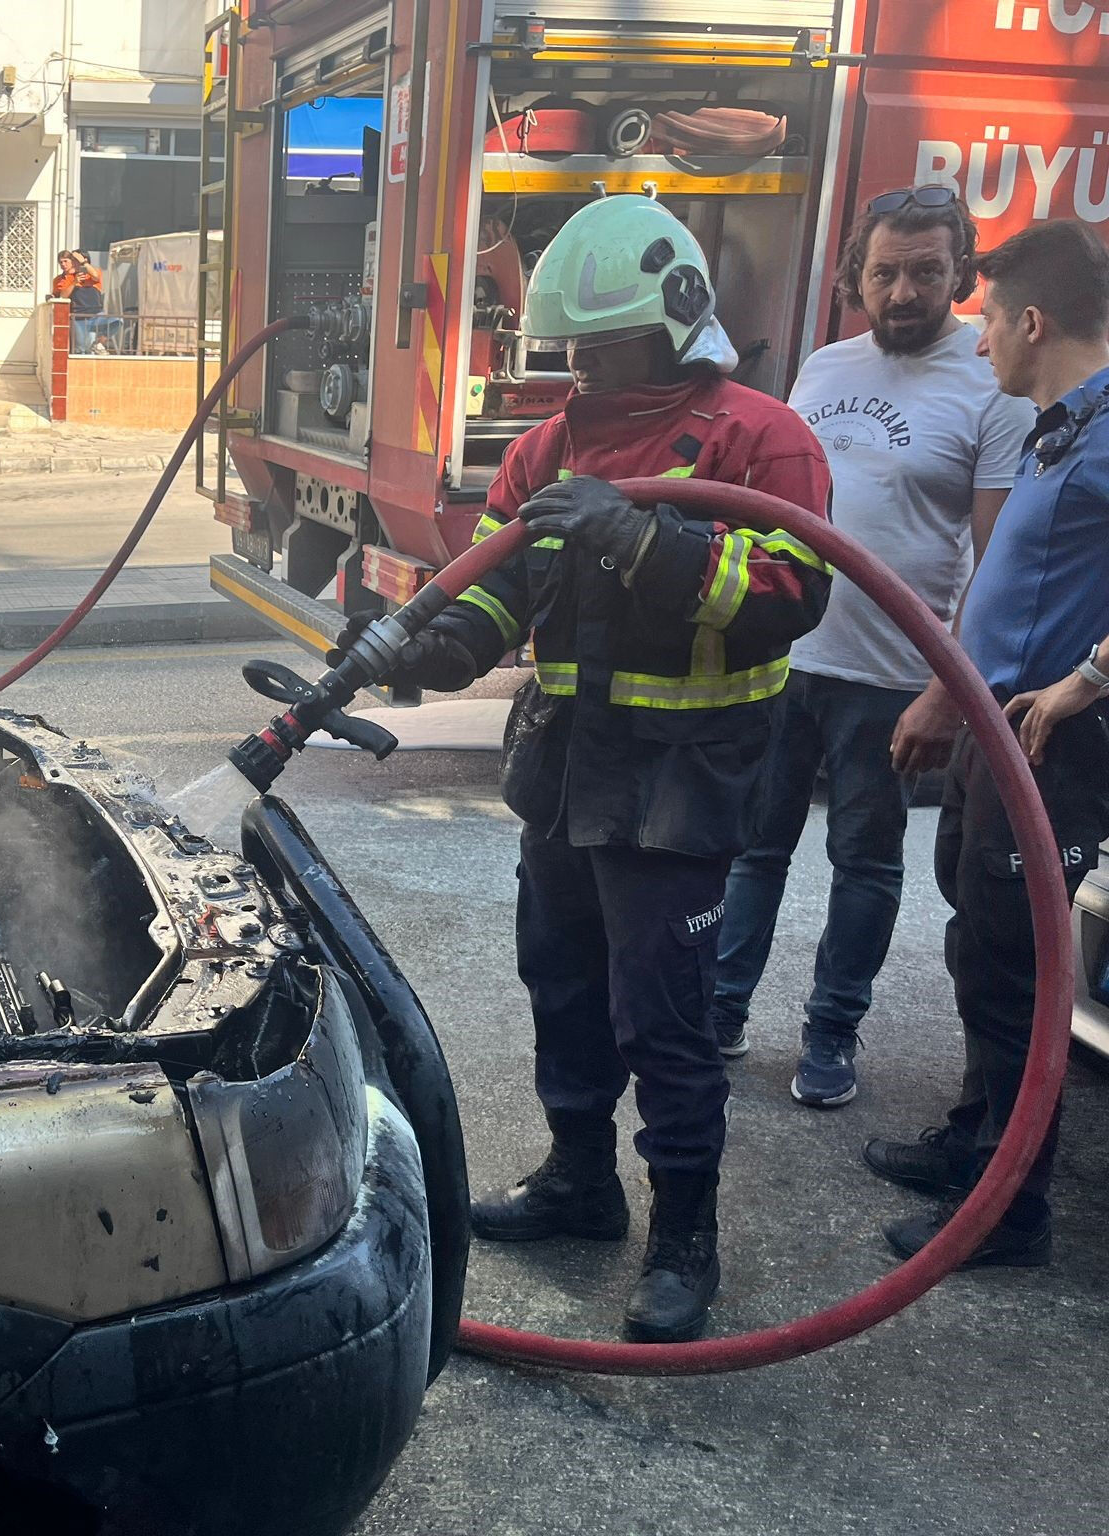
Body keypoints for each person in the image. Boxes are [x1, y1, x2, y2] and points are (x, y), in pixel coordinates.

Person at [343, 195, 831, 1341]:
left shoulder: (758, 440)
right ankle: (578, 1180)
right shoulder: (546, 447)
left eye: (604, 348)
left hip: (685, 778)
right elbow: (502, 584)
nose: (584, 370)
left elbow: (786, 598)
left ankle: (683, 1238)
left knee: (662, 1017)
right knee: (559, 983)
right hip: (565, 769)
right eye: (572, 349)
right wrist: (434, 642)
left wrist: (645, 537)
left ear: (674, 323)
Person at [709, 187, 1034, 1108]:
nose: (902, 292)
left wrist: (947, 686)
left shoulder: (987, 384)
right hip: (785, 658)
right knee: (750, 851)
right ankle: (721, 1010)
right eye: (885, 272)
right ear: (858, 274)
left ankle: (829, 1035)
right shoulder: (822, 367)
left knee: (867, 864)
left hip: (891, 677)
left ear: (960, 275)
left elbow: (996, 556)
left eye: (926, 272)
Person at [868, 221, 1109, 1268]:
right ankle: (975, 1144)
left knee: (1017, 971)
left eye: (984, 323)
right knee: (979, 949)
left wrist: (1089, 677)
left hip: (1051, 751)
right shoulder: (1065, 426)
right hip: (994, 734)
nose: (977, 348)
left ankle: (1007, 1213)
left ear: (1029, 320)